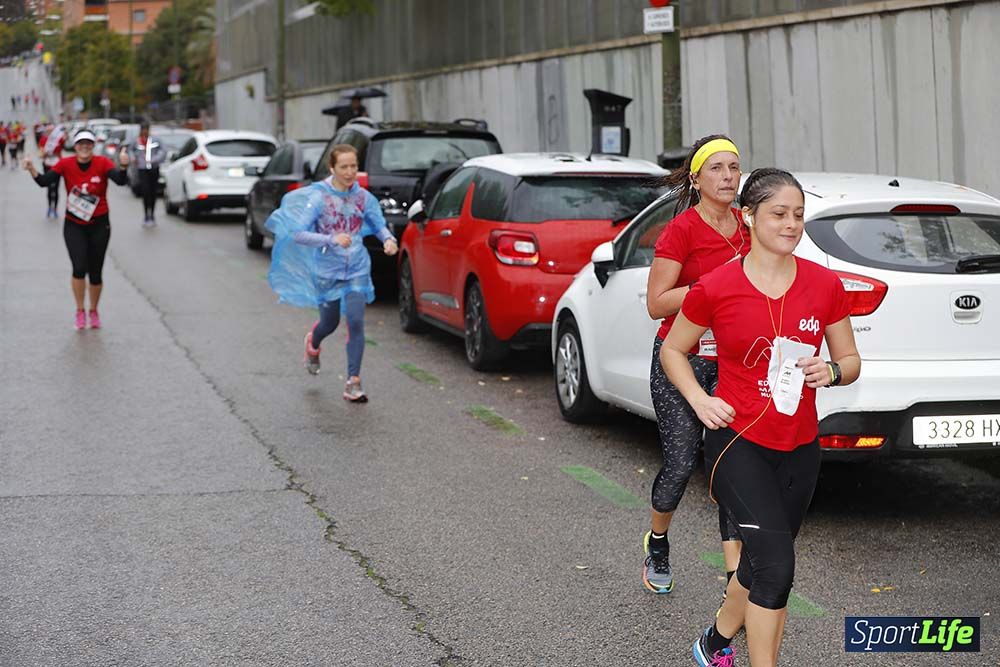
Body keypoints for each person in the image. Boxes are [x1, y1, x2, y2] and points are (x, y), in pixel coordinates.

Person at [661, 168, 861, 666]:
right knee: (776, 567)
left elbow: (851, 361)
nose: (791, 224)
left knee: (758, 561)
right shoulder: (715, 286)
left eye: (798, 215)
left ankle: (713, 644)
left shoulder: (824, 284)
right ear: (748, 216)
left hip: (800, 448)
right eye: (779, 214)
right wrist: (699, 400)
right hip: (737, 444)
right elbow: (672, 350)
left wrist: (832, 371)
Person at [642, 135, 746, 597]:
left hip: (733, 361)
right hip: (681, 358)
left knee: (730, 467)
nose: (727, 177)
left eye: (734, 168)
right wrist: (713, 284)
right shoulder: (681, 230)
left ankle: (734, 582)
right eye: (717, 169)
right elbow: (657, 303)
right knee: (682, 464)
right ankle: (658, 542)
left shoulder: (748, 226)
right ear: (697, 179)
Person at [265, 144, 397, 402]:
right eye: (344, 167)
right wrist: (330, 239)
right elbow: (298, 234)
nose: (349, 172)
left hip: (357, 267)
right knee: (330, 323)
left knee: (356, 322)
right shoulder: (320, 199)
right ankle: (313, 344)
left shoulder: (364, 198)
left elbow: (379, 225)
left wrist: (389, 240)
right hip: (327, 270)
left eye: (354, 166)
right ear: (332, 168)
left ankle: (353, 382)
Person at [23, 130, 131, 330]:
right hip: (74, 225)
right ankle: (80, 310)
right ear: (75, 146)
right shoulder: (65, 164)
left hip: (99, 224)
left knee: (95, 272)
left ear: (93, 146)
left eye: (88, 143)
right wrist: (31, 169)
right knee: (79, 268)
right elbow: (44, 182)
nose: (84, 147)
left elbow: (120, 180)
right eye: (81, 143)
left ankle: (94, 311)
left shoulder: (103, 163)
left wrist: (124, 166)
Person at [130, 122, 167, 227]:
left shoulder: (155, 140)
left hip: (154, 168)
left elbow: (163, 151)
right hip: (142, 168)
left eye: (146, 129)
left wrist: (155, 159)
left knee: (153, 192)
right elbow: (130, 150)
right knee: (145, 191)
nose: (145, 131)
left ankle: (152, 214)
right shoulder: (136, 140)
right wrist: (133, 157)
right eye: (143, 129)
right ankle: (146, 214)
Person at [39, 123, 66, 219]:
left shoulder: (59, 139)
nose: (50, 132)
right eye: (48, 130)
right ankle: (49, 207)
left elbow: (64, 145)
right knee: (49, 188)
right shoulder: (43, 139)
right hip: (47, 165)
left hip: (57, 166)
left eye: (52, 130)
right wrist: (46, 153)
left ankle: (55, 209)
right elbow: (41, 154)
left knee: (56, 188)